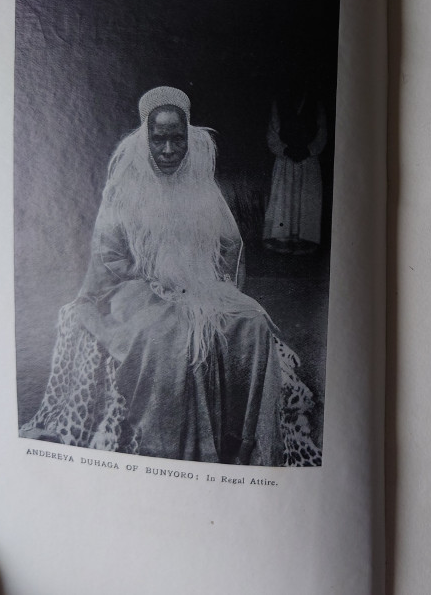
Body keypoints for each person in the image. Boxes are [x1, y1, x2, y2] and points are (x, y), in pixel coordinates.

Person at [21, 87, 321, 466]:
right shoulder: (123, 189)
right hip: (137, 288)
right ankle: (165, 447)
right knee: (169, 338)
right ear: (145, 137)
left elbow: (229, 245)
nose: (167, 150)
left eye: (176, 139)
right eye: (158, 139)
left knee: (252, 323)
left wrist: (216, 287)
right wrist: (154, 279)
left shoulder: (200, 183)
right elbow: (108, 257)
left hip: (198, 286)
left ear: (188, 136)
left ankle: (241, 442)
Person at [263, 88, 328, 254]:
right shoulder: (280, 103)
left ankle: (304, 239)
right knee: (284, 198)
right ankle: (282, 239)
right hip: (285, 160)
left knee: (306, 199)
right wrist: (285, 150)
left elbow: (322, 132)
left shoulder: (316, 104)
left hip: (308, 161)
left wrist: (309, 150)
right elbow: (272, 132)